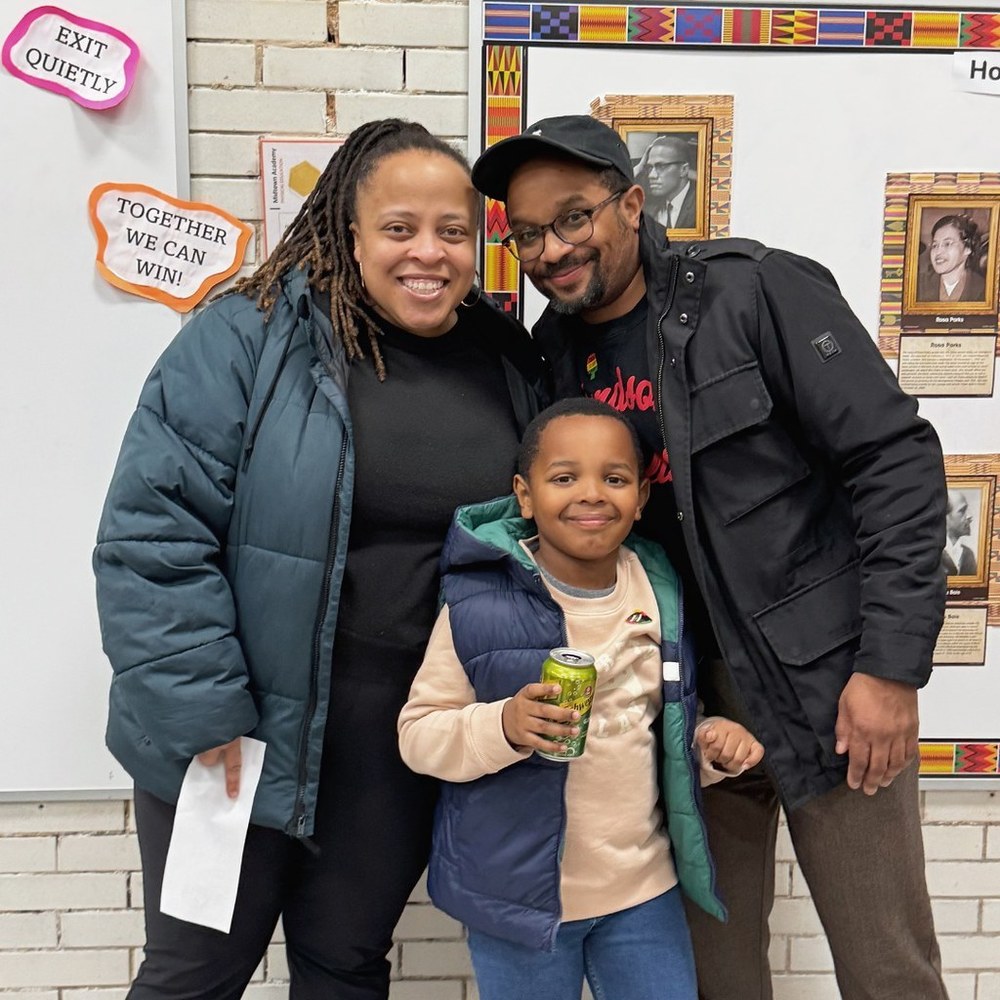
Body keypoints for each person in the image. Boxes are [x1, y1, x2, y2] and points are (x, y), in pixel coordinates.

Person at [471, 115, 949, 1000]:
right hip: (677, 703)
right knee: (714, 980)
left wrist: (889, 668)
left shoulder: (753, 291)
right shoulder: (551, 354)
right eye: (528, 232)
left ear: (631, 201)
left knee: (889, 972)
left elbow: (895, 459)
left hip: (828, 686)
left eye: (572, 218)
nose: (550, 249)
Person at [92, 118, 548, 1000]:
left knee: (344, 968)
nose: (430, 253)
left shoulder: (507, 359)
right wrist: (203, 713)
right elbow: (152, 533)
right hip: (234, 734)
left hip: (394, 745)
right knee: (196, 973)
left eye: (453, 231)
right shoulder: (244, 338)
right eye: (399, 228)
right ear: (350, 232)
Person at [398, 398, 764, 1000]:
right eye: (564, 478)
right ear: (524, 493)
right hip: (518, 906)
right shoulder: (476, 606)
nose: (591, 494)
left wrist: (707, 746)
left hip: (644, 893)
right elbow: (417, 736)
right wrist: (505, 728)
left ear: (642, 496)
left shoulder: (660, 587)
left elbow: (654, 724)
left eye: (614, 478)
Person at [917, 214, 987, 303]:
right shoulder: (918, 284)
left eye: (947, 244)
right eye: (935, 245)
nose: (938, 251)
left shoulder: (984, 288)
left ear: (967, 248)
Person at [635, 134, 696, 232]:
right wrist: (638, 168)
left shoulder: (700, 207)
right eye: (650, 167)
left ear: (683, 170)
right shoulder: (647, 202)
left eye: (661, 166)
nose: (651, 175)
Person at [942, 490, 977, 576]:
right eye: (962, 511)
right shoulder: (930, 553)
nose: (969, 516)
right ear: (944, 516)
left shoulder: (968, 555)